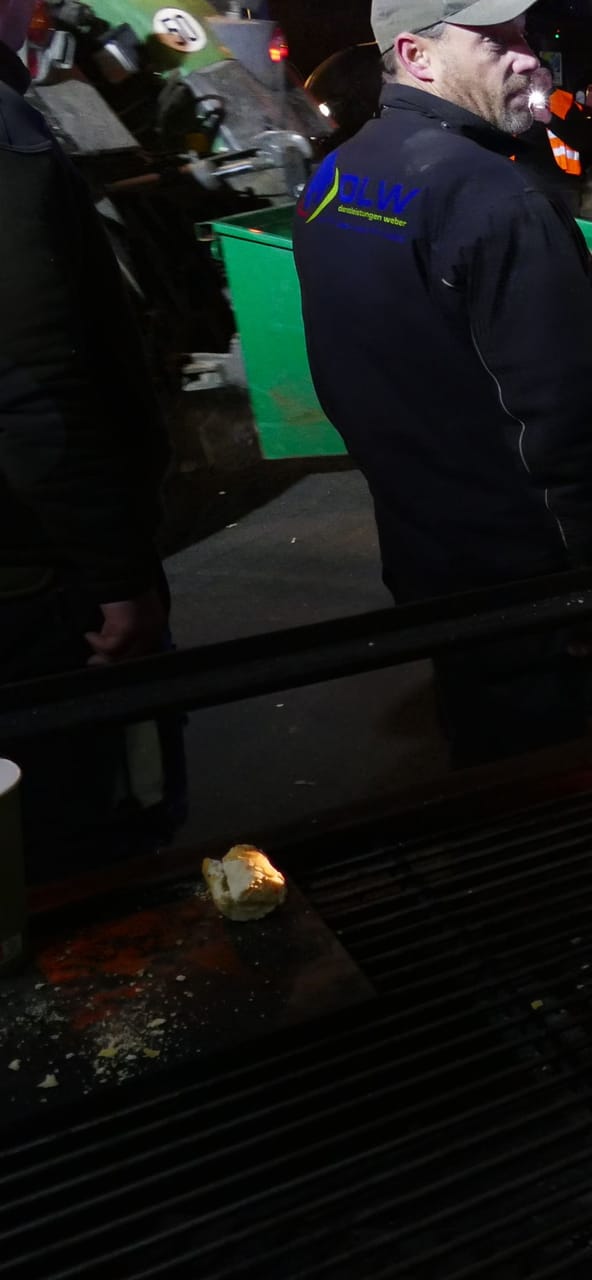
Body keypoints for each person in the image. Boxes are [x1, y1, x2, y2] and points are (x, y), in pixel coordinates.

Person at [294, 0, 592, 768]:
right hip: (538, 591)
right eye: (495, 41)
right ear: (418, 58)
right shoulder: (499, 199)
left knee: (488, 776)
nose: (528, 58)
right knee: (571, 806)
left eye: (523, 36)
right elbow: (570, 417)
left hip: (432, 563)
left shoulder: (338, 178)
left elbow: (345, 382)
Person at [0, 0, 181, 881]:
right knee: (83, 842)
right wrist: (118, 577)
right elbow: (34, 385)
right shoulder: (8, 141)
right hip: (37, 581)